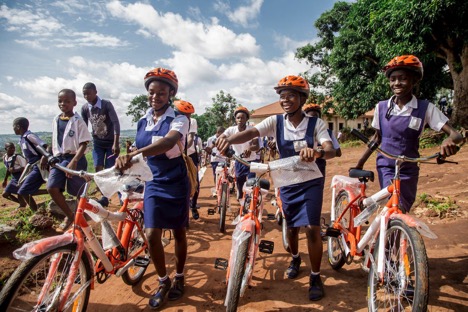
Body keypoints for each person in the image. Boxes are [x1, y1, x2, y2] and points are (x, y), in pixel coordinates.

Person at [217, 75, 336, 301]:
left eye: (291, 95)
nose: (285, 100)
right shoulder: (275, 121)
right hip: (288, 180)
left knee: (311, 227)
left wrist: (318, 152)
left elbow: (330, 149)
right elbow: (252, 133)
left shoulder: (315, 123)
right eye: (282, 96)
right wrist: (229, 140)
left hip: (311, 180)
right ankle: (295, 257)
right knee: (291, 228)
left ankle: (315, 275)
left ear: (302, 98)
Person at [115, 67, 190, 310]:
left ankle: (179, 277)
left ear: (170, 94)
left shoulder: (179, 118)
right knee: (151, 234)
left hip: (176, 179)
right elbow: (137, 150)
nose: (155, 96)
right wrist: (124, 158)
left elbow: (168, 142)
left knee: (179, 231)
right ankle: (163, 281)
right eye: (151, 92)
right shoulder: (142, 120)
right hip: (153, 180)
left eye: (161, 92)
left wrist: (137, 153)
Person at [355, 55, 462, 212]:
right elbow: (377, 138)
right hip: (387, 165)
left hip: (409, 169)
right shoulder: (382, 107)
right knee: (393, 206)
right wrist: (359, 163)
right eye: (393, 79)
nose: (397, 83)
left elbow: (456, 134)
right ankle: (387, 235)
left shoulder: (425, 108)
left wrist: (448, 141)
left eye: (403, 78)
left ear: (415, 80)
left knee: (402, 210)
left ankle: (393, 235)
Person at [44, 89, 92, 232]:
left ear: (74, 103)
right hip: (59, 159)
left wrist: (75, 160)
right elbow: (55, 140)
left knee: (78, 193)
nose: (63, 103)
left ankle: (82, 217)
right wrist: (46, 155)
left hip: (74, 158)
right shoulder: (56, 119)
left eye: (67, 101)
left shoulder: (78, 121)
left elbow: (84, 143)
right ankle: (71, 216)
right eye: (60, 101)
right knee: (51, 187)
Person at [81, 82, 120, 207]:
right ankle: (104, 197)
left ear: (95, 92)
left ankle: (121, 196)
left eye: (89, 93)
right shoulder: (85, 108)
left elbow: (115, 123)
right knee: (98, 169)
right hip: (97, 142)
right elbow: (84, 128)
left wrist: (116, 143)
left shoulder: (106, 104)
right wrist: (83, 144)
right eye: (84, 94)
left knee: (110, 170)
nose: (87, 96)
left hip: (110, 143)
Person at [219, 106, 259, 202]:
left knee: (250, 183)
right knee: (239, 182)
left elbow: (256, 146)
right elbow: (221, 137)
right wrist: (220, 144)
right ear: (235, 119)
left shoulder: (252, 129)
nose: (240, 120)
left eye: (242, 117)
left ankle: (249, 202)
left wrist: (250, 148)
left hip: (251, 161)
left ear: (247, 119)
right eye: (238, 118)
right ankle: (241, 196)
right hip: (239, 161)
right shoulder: (231, 130)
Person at [173, 99, 200, 220]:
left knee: (194, 182)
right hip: (175, 155)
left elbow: (190, 138)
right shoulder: (171, 120)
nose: (188, 118)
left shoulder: (192, 121)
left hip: (190, 155)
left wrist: (183, 149)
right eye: (185, 115)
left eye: (189, 115)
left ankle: (193, 206)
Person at [14, 117, 48, 211]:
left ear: (18, 126)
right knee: (20, 185)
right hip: (31, 165)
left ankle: (35, 212)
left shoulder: (29, 136)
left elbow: (46, 146)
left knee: (23, 191)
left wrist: (44, 158)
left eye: (14, 126)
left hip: (38, 165)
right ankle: (50, 191)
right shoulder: (22, 139)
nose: (13, 129)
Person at [303, 103, 342, 177]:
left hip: (319, 169)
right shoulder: (300, 133)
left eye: (316, 118)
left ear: (319, 118)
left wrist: (321, 151)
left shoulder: (327, 132)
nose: (313, 121)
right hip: (303, 170)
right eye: (310, 118)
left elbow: (338, 153)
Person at [2, 142, 27, 208]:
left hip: (21, 177)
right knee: (5, 194)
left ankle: (22, 205)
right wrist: (5, 179)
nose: (13, 149)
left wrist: (15, 170)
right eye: (10, 148)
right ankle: (22, 203)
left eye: (13, 148)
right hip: (14, 178)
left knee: (19, 193)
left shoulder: (17, 157)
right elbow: (8, 169)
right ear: (6, 149)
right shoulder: (5, 158)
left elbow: (25, 167)